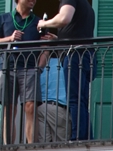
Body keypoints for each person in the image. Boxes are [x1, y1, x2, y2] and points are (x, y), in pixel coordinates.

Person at [38, 0, 95, 141]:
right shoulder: (86, 6)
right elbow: (78, 32)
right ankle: (86, 136)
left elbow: (64, 18)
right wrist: (59, 39)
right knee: (81, 100)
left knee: (75, 100)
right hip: (86, 54)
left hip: (76, 55)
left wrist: (43, 24)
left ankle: (77, 137)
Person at [0, 0, 41, 144]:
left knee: (30, 107)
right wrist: (9, 39)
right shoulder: (4, 18)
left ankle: (32, 147)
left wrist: (40, 67)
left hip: (30, 68)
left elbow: (46, 47)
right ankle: (9, 147)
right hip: (7, 68)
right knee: (9, 108)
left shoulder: (38, 22)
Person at [35, 45, 70, 143]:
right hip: (59, 108)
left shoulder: (39, 66)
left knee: (44, 146)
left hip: (40, 107)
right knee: (61, 147)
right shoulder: (64, 65)